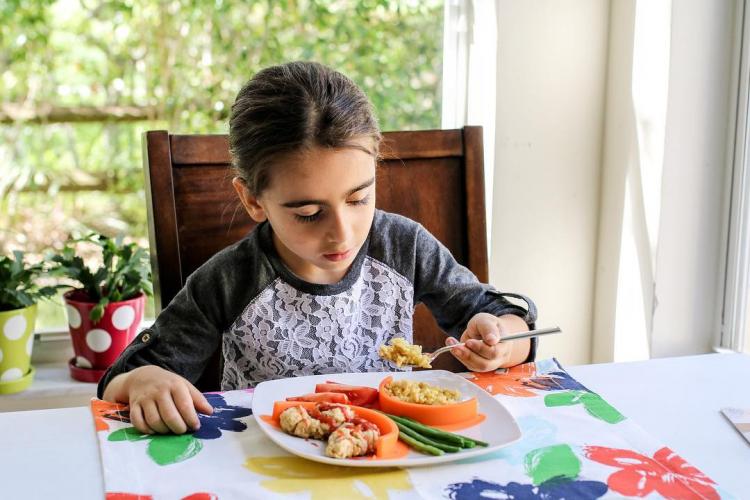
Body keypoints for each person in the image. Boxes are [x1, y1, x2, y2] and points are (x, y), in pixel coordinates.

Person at [98, 61, 538, 435]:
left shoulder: (404, 247)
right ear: (253, 200)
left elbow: (504, 319)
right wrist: (146, 380)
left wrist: (503, 340)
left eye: (359, 198)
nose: (343, 234)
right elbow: (124, 378)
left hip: (390, 452)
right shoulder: (231, 280)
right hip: (267, 461)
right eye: (308, 213)